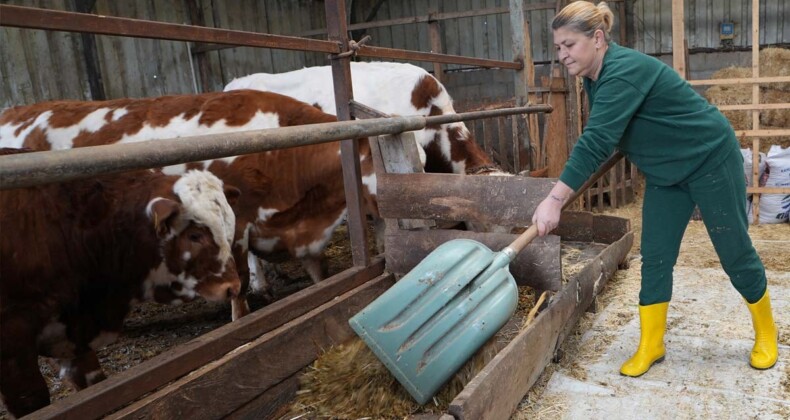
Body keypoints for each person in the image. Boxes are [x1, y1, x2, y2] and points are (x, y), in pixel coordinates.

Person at [531, 1, 778, 376]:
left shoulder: (622, 71)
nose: (563, 55)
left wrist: (554, 199)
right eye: (559, 47)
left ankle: (766, 332)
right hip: (666, 173)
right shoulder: (592, 78)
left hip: (709, 158)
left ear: (597, 38)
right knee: (656, 256)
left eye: (569, 45)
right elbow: (613, 129)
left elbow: (596, 139)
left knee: (733, 251)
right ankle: (652, 343)